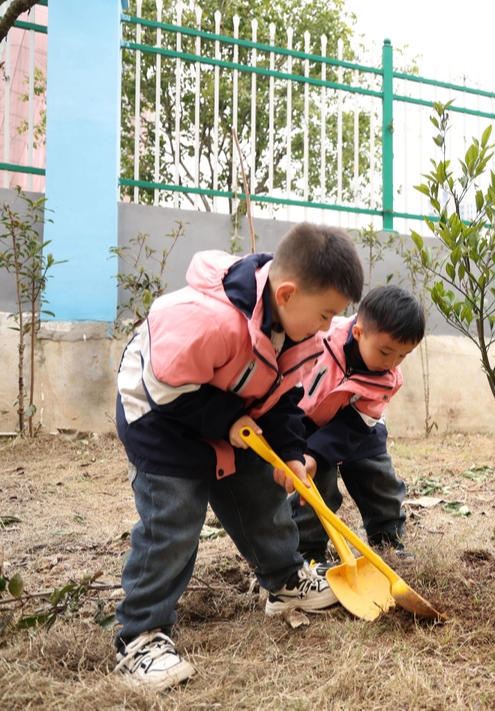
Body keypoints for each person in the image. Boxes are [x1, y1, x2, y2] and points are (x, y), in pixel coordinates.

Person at [113, 223, 365, 691]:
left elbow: (283, 397)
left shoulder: (299, 332)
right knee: (174, 519)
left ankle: (285, 582)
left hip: (235, 410)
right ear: (286, 294)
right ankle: (139, 635)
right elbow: (167, 386)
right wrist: (228, 422)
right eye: (326, 314)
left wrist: (291, 453)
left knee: (260, 496)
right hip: (160, 413)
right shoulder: (207, 318)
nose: (330, 327)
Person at [290, 284, 425, 566]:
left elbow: (357, 423)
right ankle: (309, 551)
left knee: (379, 480)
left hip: (359, 425)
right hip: (307, 422)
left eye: (403, 355)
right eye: (386, 351)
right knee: (317, 486)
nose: (392, 363)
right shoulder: (320, 339)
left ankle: (388, 539)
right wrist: (311, 453)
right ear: (358, 332)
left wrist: (320, 452)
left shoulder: (388, 379)